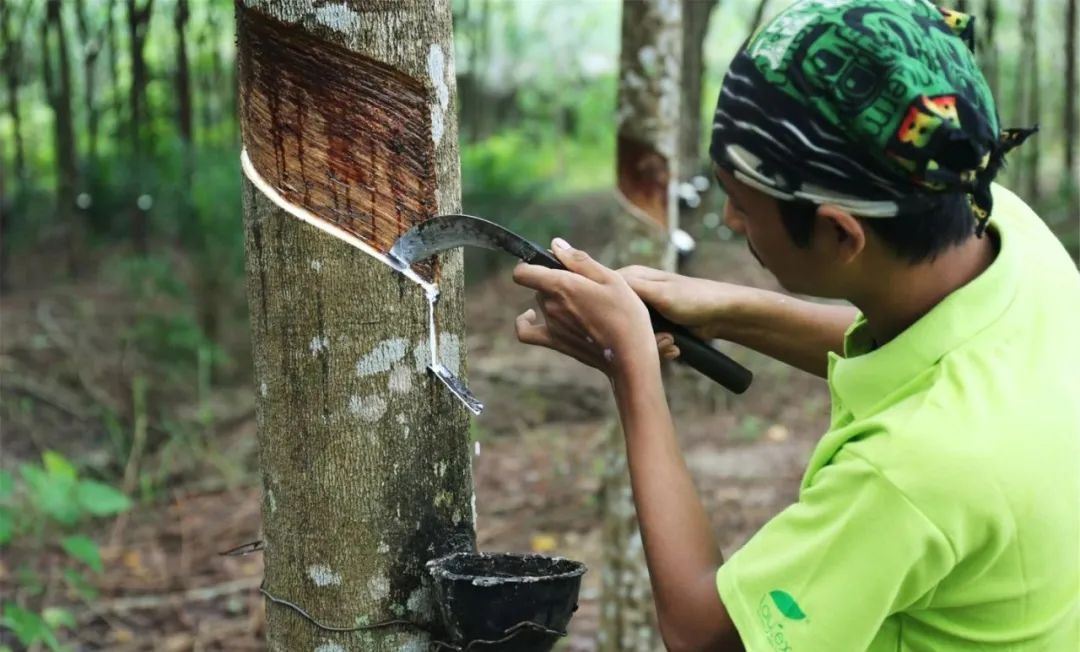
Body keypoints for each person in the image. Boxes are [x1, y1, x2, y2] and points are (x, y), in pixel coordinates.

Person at [511, 1, 1080, 650]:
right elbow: (927, 361)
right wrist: (725, 308)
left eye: (744, 204)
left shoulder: (910, 473)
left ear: (840, 232)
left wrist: (631, 364)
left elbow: (706, 636)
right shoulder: (1000, 225)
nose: (728, 221)